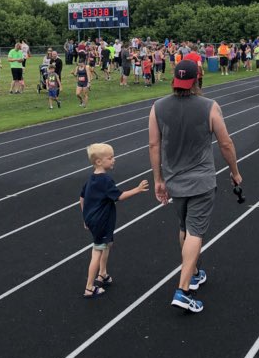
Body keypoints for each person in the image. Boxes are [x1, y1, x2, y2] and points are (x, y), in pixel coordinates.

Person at [149, 60, 242, 314]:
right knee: (196, 232)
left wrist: (158, 179)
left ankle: (195, 271)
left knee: (184, 228)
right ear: (197, 80)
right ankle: (183, 289)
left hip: (174, 180)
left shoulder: (157, 108)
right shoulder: (210, 107)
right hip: (201, 180)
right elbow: (226, 143)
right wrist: (235, 172)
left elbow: (154, 146)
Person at [79, 143, 149, 298]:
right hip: (101, 222)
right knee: (97, 251)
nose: (114, 160)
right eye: (110, 158)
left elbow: (81, 198)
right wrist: (137, 189)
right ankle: (89, 287)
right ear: (99, 161)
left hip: (94, 220)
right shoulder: (105, 180)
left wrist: (85, 217)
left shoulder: (91, 179)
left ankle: (102, 274)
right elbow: (119, 196)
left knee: (107, 244)